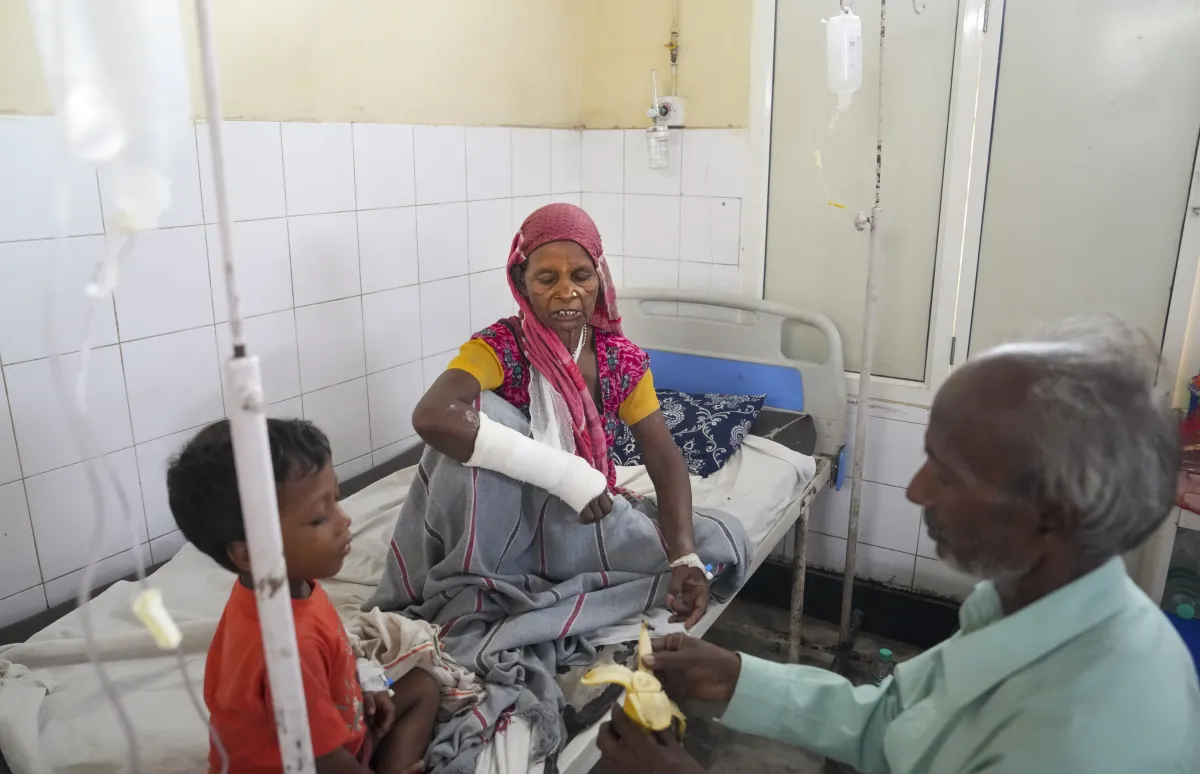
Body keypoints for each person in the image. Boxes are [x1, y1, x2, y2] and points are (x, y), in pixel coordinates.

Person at [597, 316, 1200, 773]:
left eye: (949, 474)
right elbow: (896, 720)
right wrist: (733, 678)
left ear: (1052, 516)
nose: (915, 490)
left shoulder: (1082, 734)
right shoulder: (1024, 607)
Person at [412, 202, 710, 627]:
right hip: (505, 520)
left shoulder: (620, 361)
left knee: (714, 542)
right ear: (522, 282)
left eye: (581, 276)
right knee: (480, 412)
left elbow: (662, 457)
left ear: (599, 279)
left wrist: (685, 555)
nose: (567, 292)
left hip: (582, 513)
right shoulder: (501, 349)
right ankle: (502, 574)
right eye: (547, 278)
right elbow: (432, 415)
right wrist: (565, 474)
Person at [167, 418, 440, 774]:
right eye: (318, 518)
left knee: (422, 686)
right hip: (304, 764)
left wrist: (365, 683)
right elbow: (323, 760)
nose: (344, 520)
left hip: (331, 733)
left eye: (336, 500)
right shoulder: (288, 648)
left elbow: (332, 662)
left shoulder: (281, 586)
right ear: (251, 553)